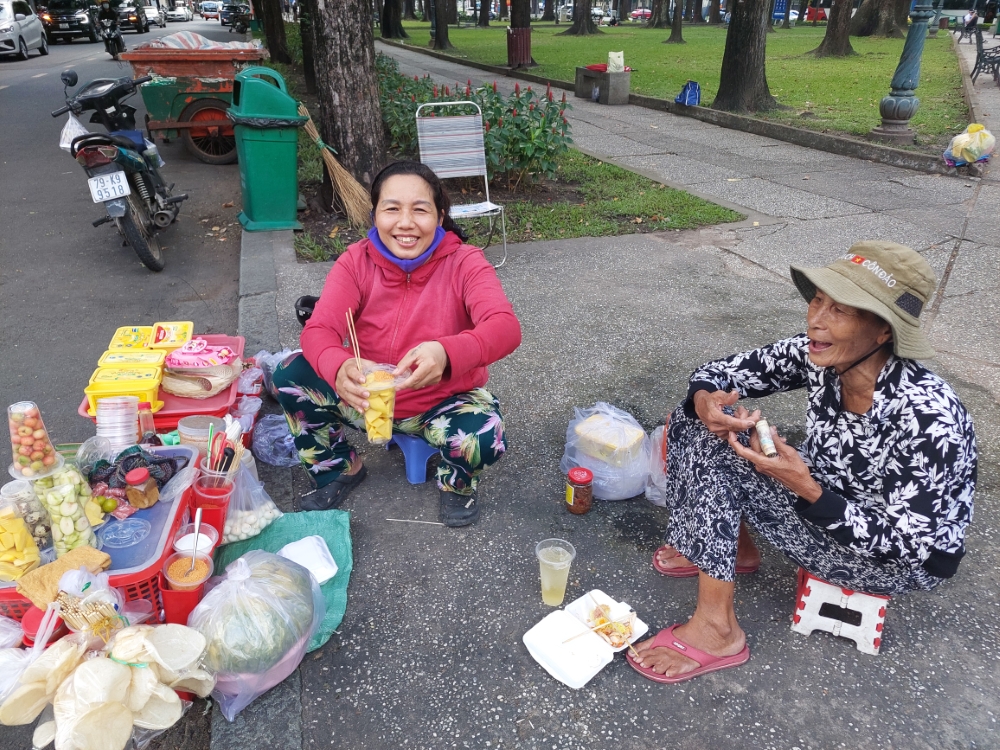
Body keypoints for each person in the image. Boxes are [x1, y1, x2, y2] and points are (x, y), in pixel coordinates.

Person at [628, 241, 977, 684]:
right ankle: (732, 549)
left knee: (719, 456)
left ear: (884, 331)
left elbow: (911, 546)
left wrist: (806, 487)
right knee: (694, 422)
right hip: (824, 490)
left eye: (841, 310)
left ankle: (717, 631)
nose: (816, 319)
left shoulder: (929, 417)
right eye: (817, 300)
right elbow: (722, 372)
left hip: (892, 559)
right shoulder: (822, 355)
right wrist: (706, 399)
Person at [271, 161, 522, 527]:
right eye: (392, 209)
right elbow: (319, 329)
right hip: (365, 396)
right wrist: (338, 366)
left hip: (441, 403)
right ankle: (340, 468)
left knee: (483, 435)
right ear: (375, 215)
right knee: (291, 373)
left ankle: (457, 484)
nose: (405, 223)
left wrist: (446, 353)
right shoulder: (355, 261)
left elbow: (505, 328)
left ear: (439, 216)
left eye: (420, 209)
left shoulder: (466, 263)